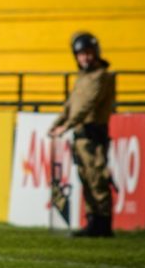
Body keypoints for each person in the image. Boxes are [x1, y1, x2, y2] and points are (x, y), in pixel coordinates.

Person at [49, 32, 116, 237]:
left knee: (97, 178)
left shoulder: (101, 76)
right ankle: (92, 221)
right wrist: (57, 124)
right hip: (81, 135)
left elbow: (86, 106)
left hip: (93, 134)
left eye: (88, 53)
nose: (85, 58)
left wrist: (66, 125)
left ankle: (103, 224)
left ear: (95, 53)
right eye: (81, 54)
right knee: (85, 177)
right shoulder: (82, 77)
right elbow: (70, 105)